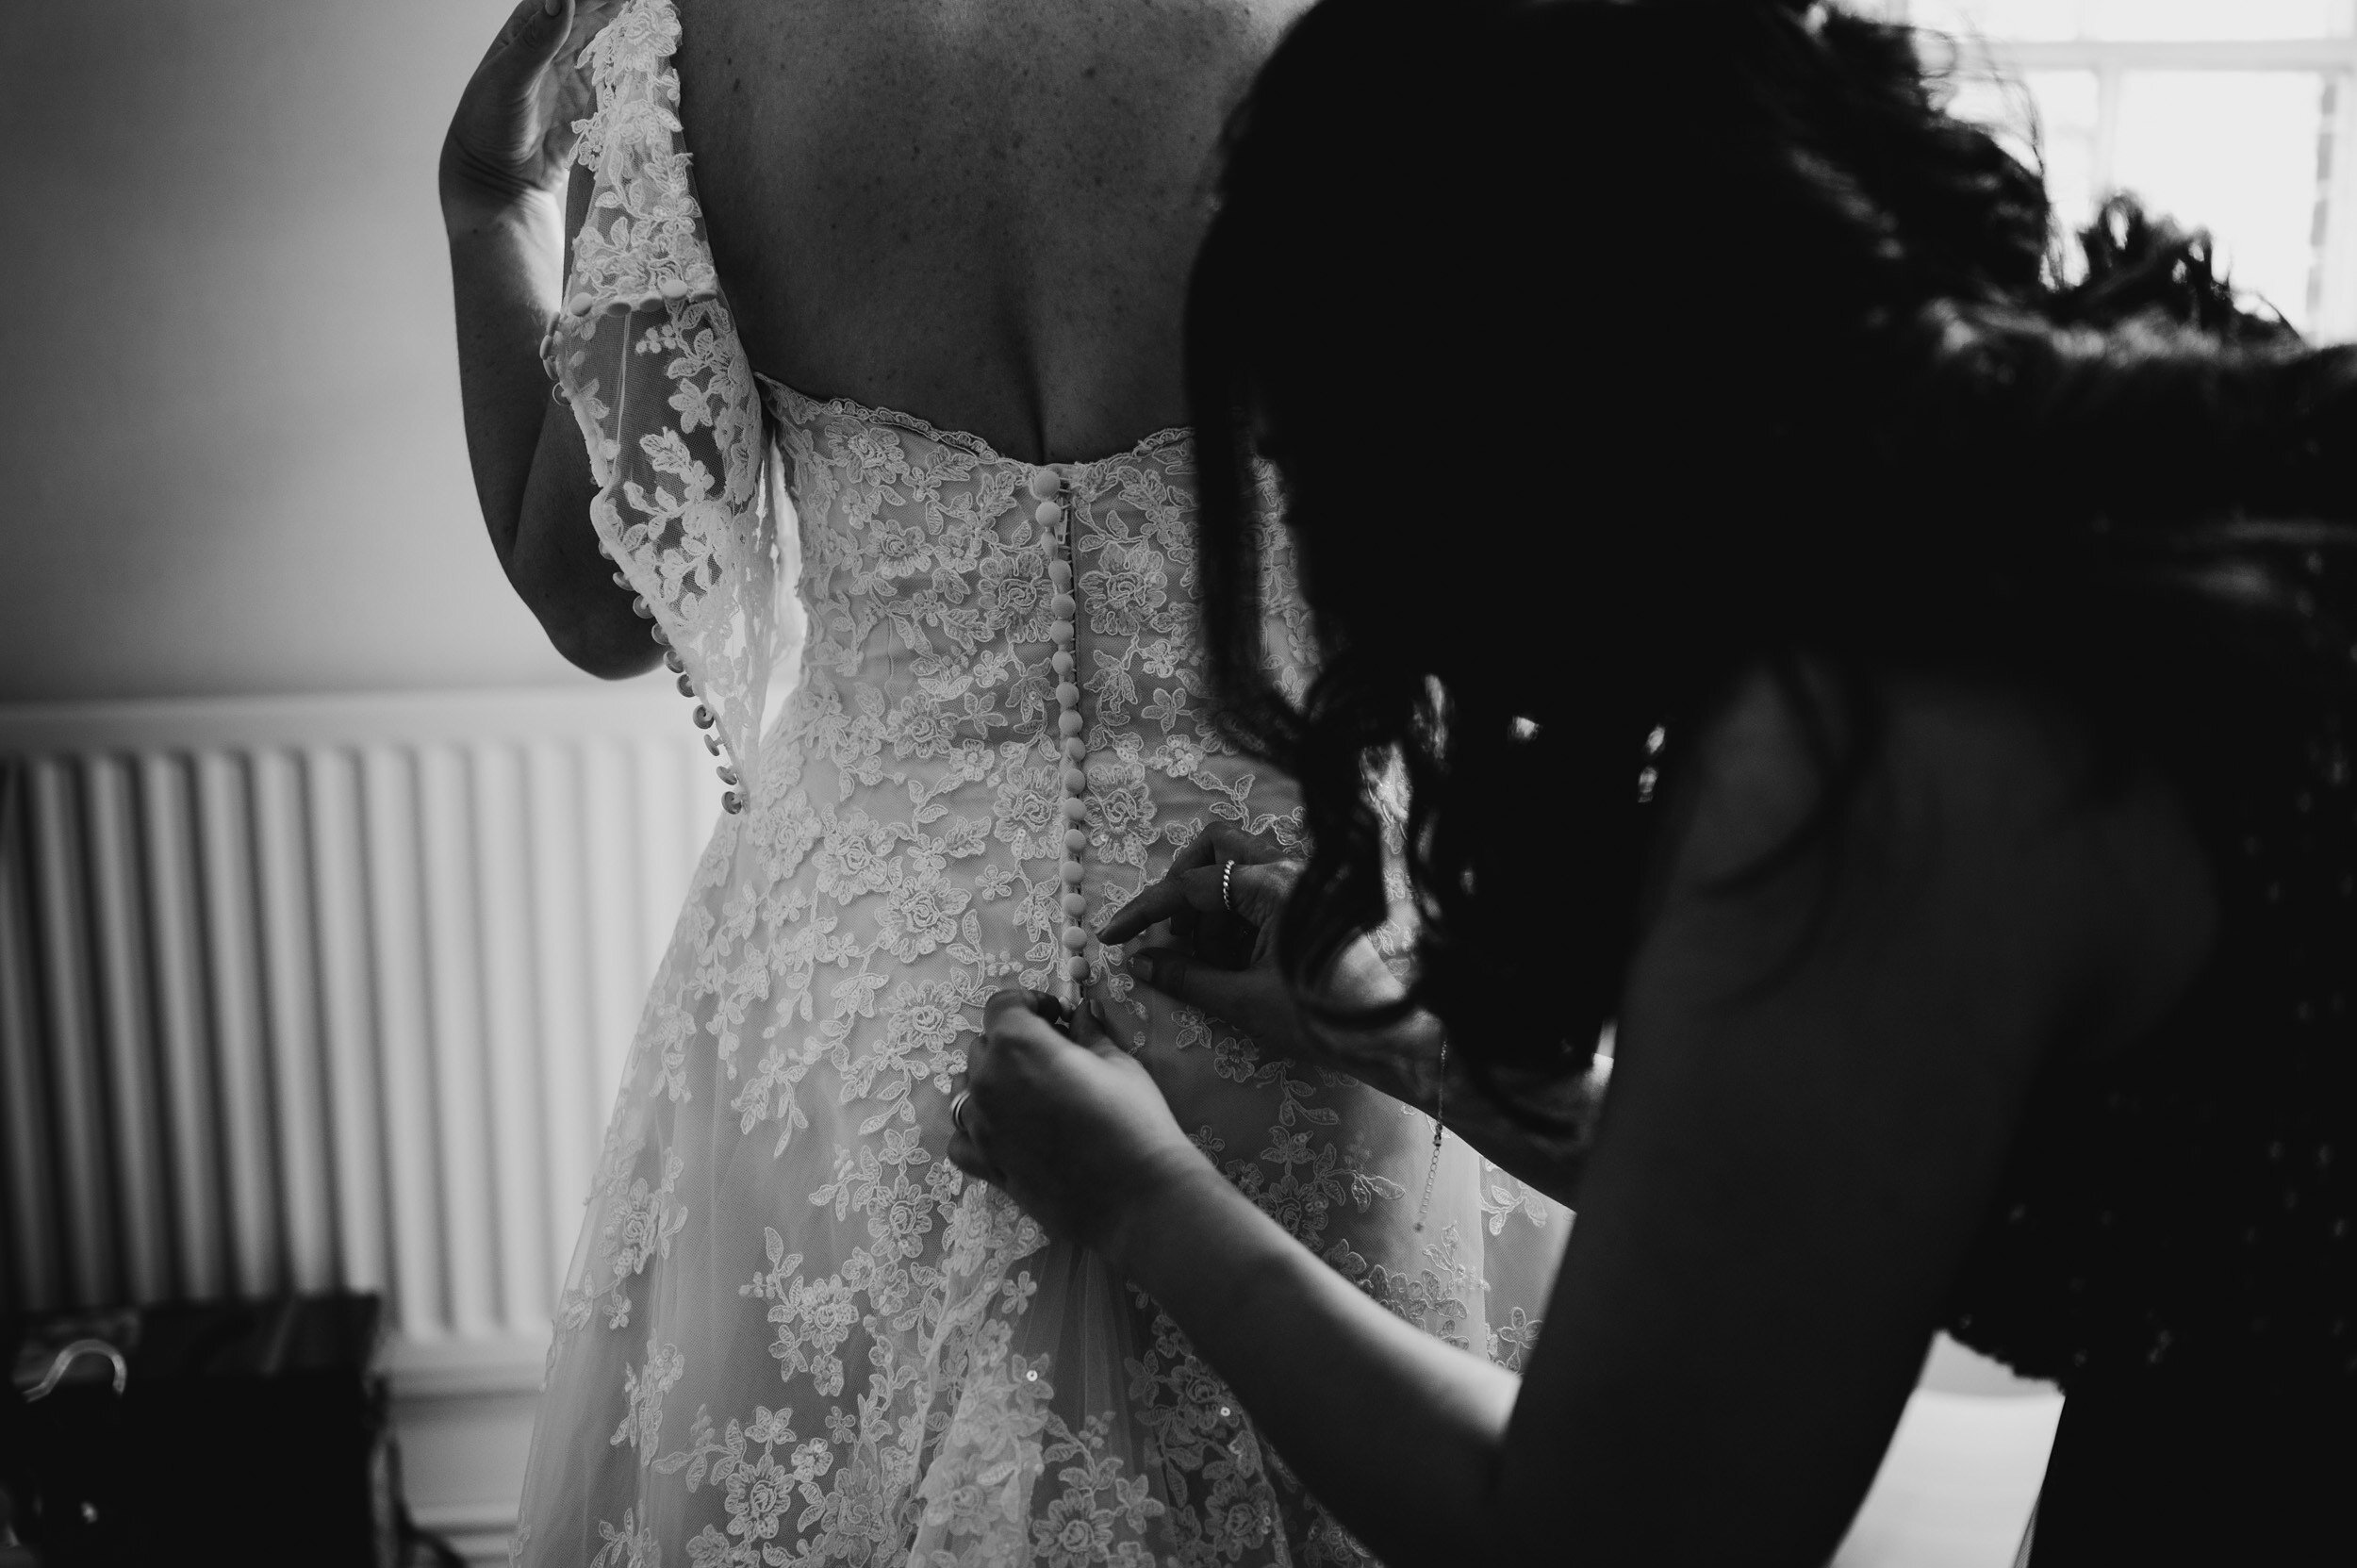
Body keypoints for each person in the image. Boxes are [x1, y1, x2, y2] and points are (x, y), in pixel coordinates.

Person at [951, 0, 2357, 1561]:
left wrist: (1142, 1195)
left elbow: (1613, 1534)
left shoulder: (1883, 742)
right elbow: (1834, 1178)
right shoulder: (2124, 448)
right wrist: (1409, 1046)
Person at [437, 0, 1567, 1561]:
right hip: (1288, 957)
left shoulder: (698, 38)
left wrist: (486, 204)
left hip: (862, 1012)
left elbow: (588, 591)